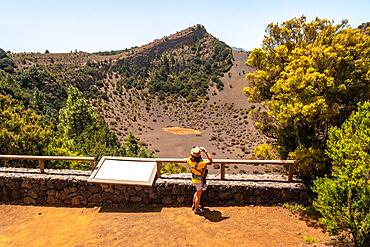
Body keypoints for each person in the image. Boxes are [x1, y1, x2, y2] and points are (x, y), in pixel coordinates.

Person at [185, 146, 212, 215]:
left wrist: (194, 152)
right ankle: (197, 209)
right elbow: (210, 161)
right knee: (198, 196)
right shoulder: (201, 164)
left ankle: (194, 205)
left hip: (194, 179)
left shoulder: (189, 160)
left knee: (197, 192)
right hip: (199, 180)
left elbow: (189, 158)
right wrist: (205, 151)